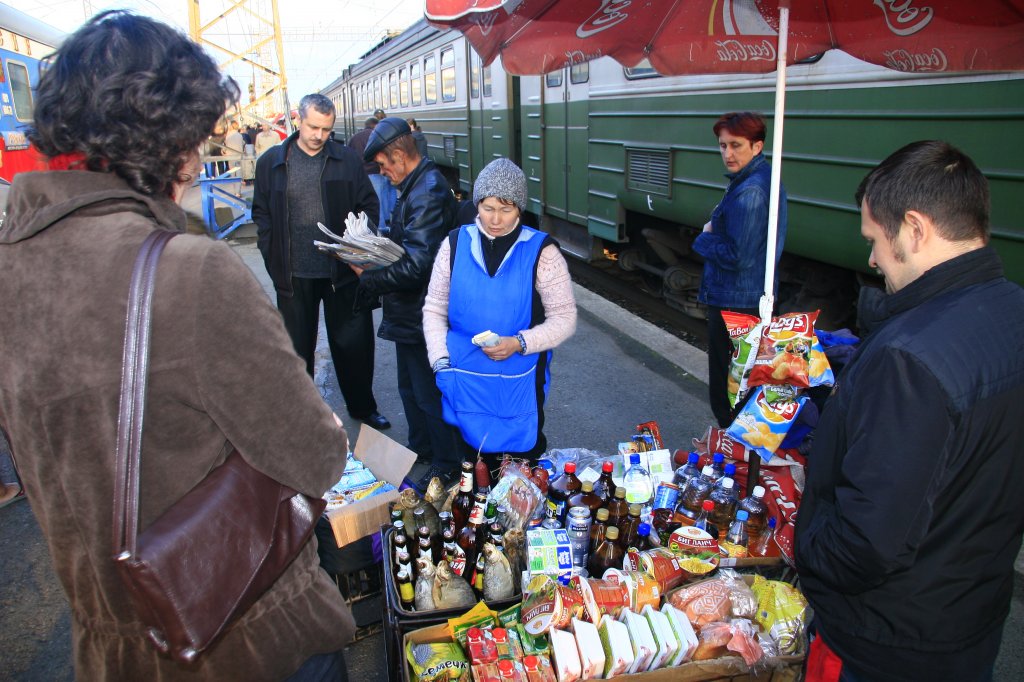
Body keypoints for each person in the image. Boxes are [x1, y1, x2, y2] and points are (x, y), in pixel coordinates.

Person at [0, 11, 355, 680]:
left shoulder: (11, 261)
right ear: (169, 143)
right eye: (195, 138)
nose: (197, 160)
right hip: (240, 634)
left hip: (112, 641)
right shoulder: (188, 273)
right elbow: (316, 456)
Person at [795, 140, 1024, 682]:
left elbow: (865, 544)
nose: (872, 259)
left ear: (915, 228)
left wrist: (807, 549)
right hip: (969, 614)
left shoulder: (907, 359)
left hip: (884, 640)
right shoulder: (1013, 309)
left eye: (874, 239)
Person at [424, 158, 577, 471]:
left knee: (520, 469)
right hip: (463, 378)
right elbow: (434, 309)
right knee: (472, 466)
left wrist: (519, 342)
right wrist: (440, 362)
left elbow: (564, 319)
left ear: (519, 208)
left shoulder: (543, 252)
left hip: (518, 382)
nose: (495, 219)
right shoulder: (454, 245)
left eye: (506, 209)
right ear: (477, 204)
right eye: (488, 207)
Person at [253, 94, 390, 431]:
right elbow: (262, 214)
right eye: (313, 127)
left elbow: (369, 206)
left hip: (342, 271)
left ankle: (362, 407)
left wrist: (359, 245)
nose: (319, 135)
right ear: (298, 121)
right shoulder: (272, 162)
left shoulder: (347, 160)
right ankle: (301, 413)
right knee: (296, 348)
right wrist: (272, 257)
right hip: (294, 274)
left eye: (326, 129)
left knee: (353, 344)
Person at [352, 117, 459, 485]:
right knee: (411, 388)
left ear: (398, 156)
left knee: (427, 393)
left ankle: (446, 463)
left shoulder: (426, 191)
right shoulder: (416, 185)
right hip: (410, 311)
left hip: (422, 312)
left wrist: (368, 277)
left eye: (383, 165)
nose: (382, 173)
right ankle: (423, 448)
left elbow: (416, 266)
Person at [693, 111, 787, 428]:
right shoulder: (758, 179)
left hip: (735, 302)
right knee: (742, 384)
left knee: (730, 390)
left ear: (757, 146)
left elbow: (737, 256)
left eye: (736, 145)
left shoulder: (750, 191)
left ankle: (733, 446)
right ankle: (738, 443)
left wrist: (705, 237)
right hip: (744, 298)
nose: (728, 154)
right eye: (723, 146)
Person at [348, 116, 396, 232]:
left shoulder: (355, 138)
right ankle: (389, 222)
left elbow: (349, 155)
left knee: (376, 201)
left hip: (366, 173)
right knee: (386, 197)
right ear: (376, 126)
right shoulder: (377, 136)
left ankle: (380, 227)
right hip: (380, 170)